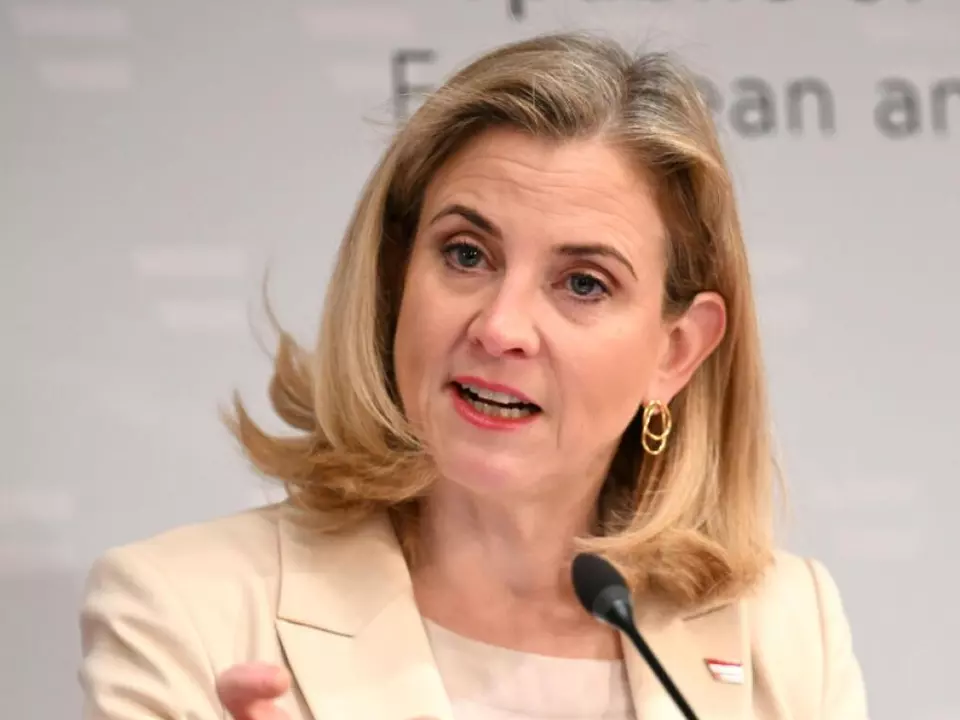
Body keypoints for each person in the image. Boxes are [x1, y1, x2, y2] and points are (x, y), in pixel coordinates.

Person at [78, 32, 868, 720]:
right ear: (395, 280)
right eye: (466, 255)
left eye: (583, 283)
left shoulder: (784, 630)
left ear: (676, 352)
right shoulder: (186, 610)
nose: (500, 327)